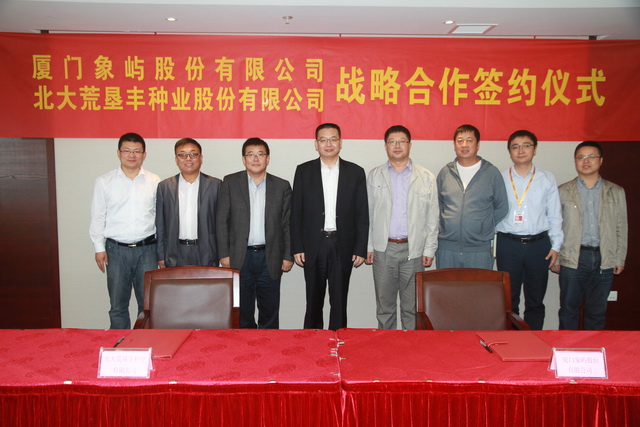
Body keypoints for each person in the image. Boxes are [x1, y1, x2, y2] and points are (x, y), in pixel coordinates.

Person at [290, 123, 369, 331]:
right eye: (323, 140)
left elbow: (362, 214)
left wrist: (360, 248)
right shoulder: (304, 171)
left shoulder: (355, 172)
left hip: (343, 245)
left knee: (339, 302)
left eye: (333, 139)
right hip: (313, 245)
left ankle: (338, 341)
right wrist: (297, 246)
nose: (328, 144)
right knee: (313, 301)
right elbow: (296, 212)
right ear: (316, 144)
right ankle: (312, 341)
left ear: (341, 143)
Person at [365, 125, 438, 330]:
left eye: (402, 141)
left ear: (410, 145)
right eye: (392, 141)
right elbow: (368, 214)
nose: (397, 145)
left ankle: (409, 347)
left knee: (412, 308)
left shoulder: (426, 177)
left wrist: (429, 249)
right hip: (383, 250)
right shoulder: (375, 175)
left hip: (413, 251)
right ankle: (386, 346)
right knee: (384, 307)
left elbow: (433, 217)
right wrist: (369, 246)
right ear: (385, 146)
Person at [216, 138, 293, 329]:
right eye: (251, 155)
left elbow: (287, 224)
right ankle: (245, 345)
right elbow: (222, 220)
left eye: (260, 154)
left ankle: (269, 345)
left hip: (271, 257)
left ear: (268, 158)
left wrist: (287, 255)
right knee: (243, 311)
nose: (256, 159)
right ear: (244, 159)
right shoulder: (230, 182)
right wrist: (224, 254)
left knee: (270, 310)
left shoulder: (281, 186)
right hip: (240, 256)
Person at [552, 141, 627, 330]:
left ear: (600, 160)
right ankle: (567, 348)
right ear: (575, 161)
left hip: (604, 257)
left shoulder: (616, 192)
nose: (586, 161)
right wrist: (556, 257)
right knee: (568, 311)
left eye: (591, 156)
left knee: (597, 311)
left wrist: (619, 258)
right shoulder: (562, 191)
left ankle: (593, 348)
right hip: (573, 257)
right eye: (581, 157)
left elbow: (621, 226)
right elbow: (555, 227)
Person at [90, 132, 160, 329]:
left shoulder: (154, 181)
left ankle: (144, 342)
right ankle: (120, 342)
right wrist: (98, 248)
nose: (132, 155)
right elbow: (98, 216)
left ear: (144, 155)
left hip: (147, 249)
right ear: (118, 153)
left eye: (136, 151)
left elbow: (160, 217)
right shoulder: (104, 181)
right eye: (127, 150)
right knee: (118, 305)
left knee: (147, 305)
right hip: (116, 250)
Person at [495, 130, 563, 330]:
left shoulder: (546, 178)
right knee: (509, 300)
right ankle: (512, 341)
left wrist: (556, 246)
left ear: (534, 149)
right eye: (515, 147)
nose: (521, 150)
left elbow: (555, 214)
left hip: (539, 245)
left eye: (526, 145)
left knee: (535, 299)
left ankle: (533, 340)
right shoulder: (500, 178)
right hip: (508, 244)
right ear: (509, 152)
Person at [436, 124, 508, 269]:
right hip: (447, 247)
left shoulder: (491, 173)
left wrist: (482, 225)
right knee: (446, 284)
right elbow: (438, 205)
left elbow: (502, 207)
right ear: (454, 145)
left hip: (479, 249)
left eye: (469, 140)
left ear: (478, 145)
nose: (464, 145)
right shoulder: (445, 172)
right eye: (460, 141)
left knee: (478, 285)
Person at [156, 138, 221, 267]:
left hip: (207, 252)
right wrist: (161, 254)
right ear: (176, 160)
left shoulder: (216, 185)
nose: (188, 158)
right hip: (175, 252)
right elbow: (160, 224)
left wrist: (223, 254)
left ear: (201, 158)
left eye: (193, 154)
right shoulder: (165, 187)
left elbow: (222, 223)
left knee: (207, 282)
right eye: (182, 155)